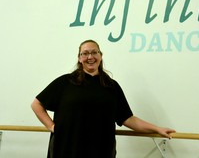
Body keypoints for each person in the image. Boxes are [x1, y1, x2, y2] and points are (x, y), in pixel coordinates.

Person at [31, 39, 175, 158]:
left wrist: (157, 128)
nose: (90, 57)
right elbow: (37, 104)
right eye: (85, 53)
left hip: (101, 151)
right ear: (79, 58)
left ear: (100, 55)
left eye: (94, 52)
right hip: (66, 150)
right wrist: (51, 126)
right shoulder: (65, 82)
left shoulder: (111, 87)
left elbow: (128, 118)